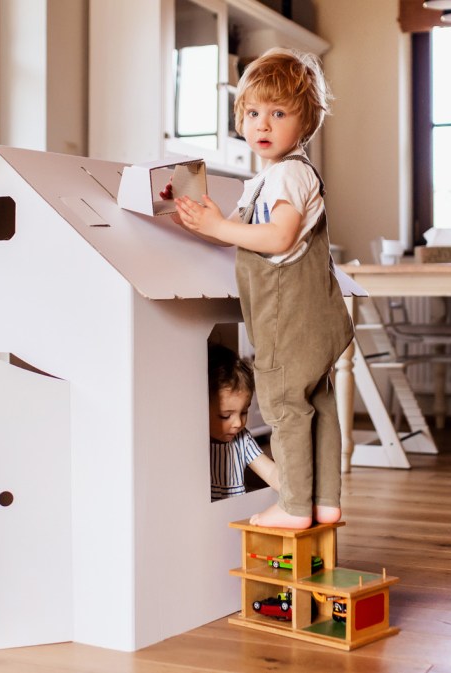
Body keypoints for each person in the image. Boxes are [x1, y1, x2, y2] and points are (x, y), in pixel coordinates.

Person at [172, 48, 353, 529]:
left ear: (306, 121)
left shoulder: (288, 174)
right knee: (320, 403)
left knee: (285, 408)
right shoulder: (266, 180)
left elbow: (279, 236)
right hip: (317, 319)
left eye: (278, 113)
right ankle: (325, 500)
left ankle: (295, 506)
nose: (262, 124)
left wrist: (218, 227)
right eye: (252, 113)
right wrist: (204, 222)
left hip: (289, 318)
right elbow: (233, 230)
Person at [208, 343, 278, 501]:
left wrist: (298, 493)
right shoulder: (197, 442)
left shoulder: (242, 439)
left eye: (244, 412)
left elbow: (271, 472)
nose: (238, 423)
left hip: (237, 516)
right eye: (225, 416)